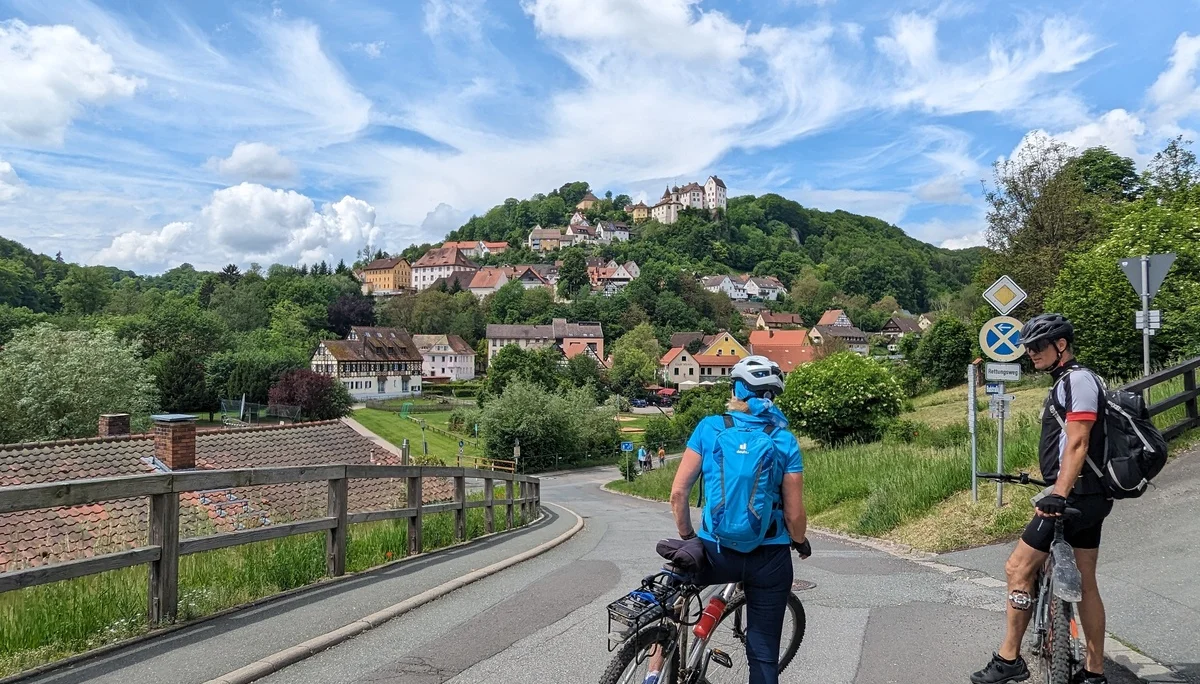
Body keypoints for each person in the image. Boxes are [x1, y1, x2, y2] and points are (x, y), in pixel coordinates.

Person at [645, 355, 810, 684]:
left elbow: (678, 494)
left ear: (735, 389)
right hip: (769, 558)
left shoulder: (709, 427)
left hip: (715, 550)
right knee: (763, 656)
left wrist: (691, 537)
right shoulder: (784, 440)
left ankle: (656, 670)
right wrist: (798, 540)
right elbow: (794, 515)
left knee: (673, 597)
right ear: (771, 397)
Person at [972, 314, 1113, 684]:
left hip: (1075, 496)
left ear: (1061, 345)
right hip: (1089, 496)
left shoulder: (1077, 380)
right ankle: (1094, 673)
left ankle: (1008, 660)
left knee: (1018, 569)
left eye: (1038, 346)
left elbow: (1079, 442)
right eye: (1028, 347)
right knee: (1085, 583)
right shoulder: (1075, 380)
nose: (1030, 353)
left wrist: (1058, 494)